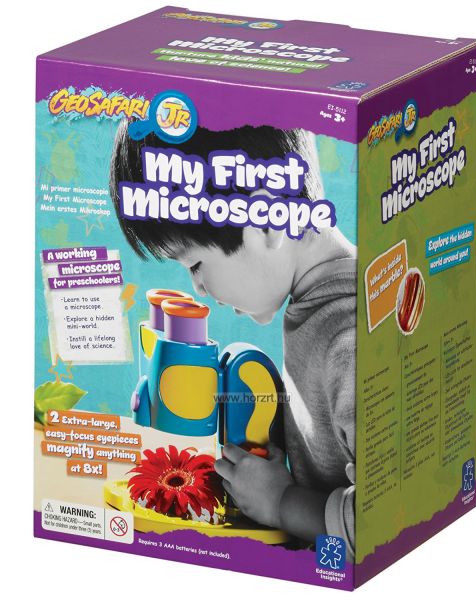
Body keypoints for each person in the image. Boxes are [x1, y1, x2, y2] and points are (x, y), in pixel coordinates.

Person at [110, 121, 357, 559]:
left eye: (195, 264)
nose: (199, 289)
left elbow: (388, 514)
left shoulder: (348, 339)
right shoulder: (319, 304)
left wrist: (283, 503)